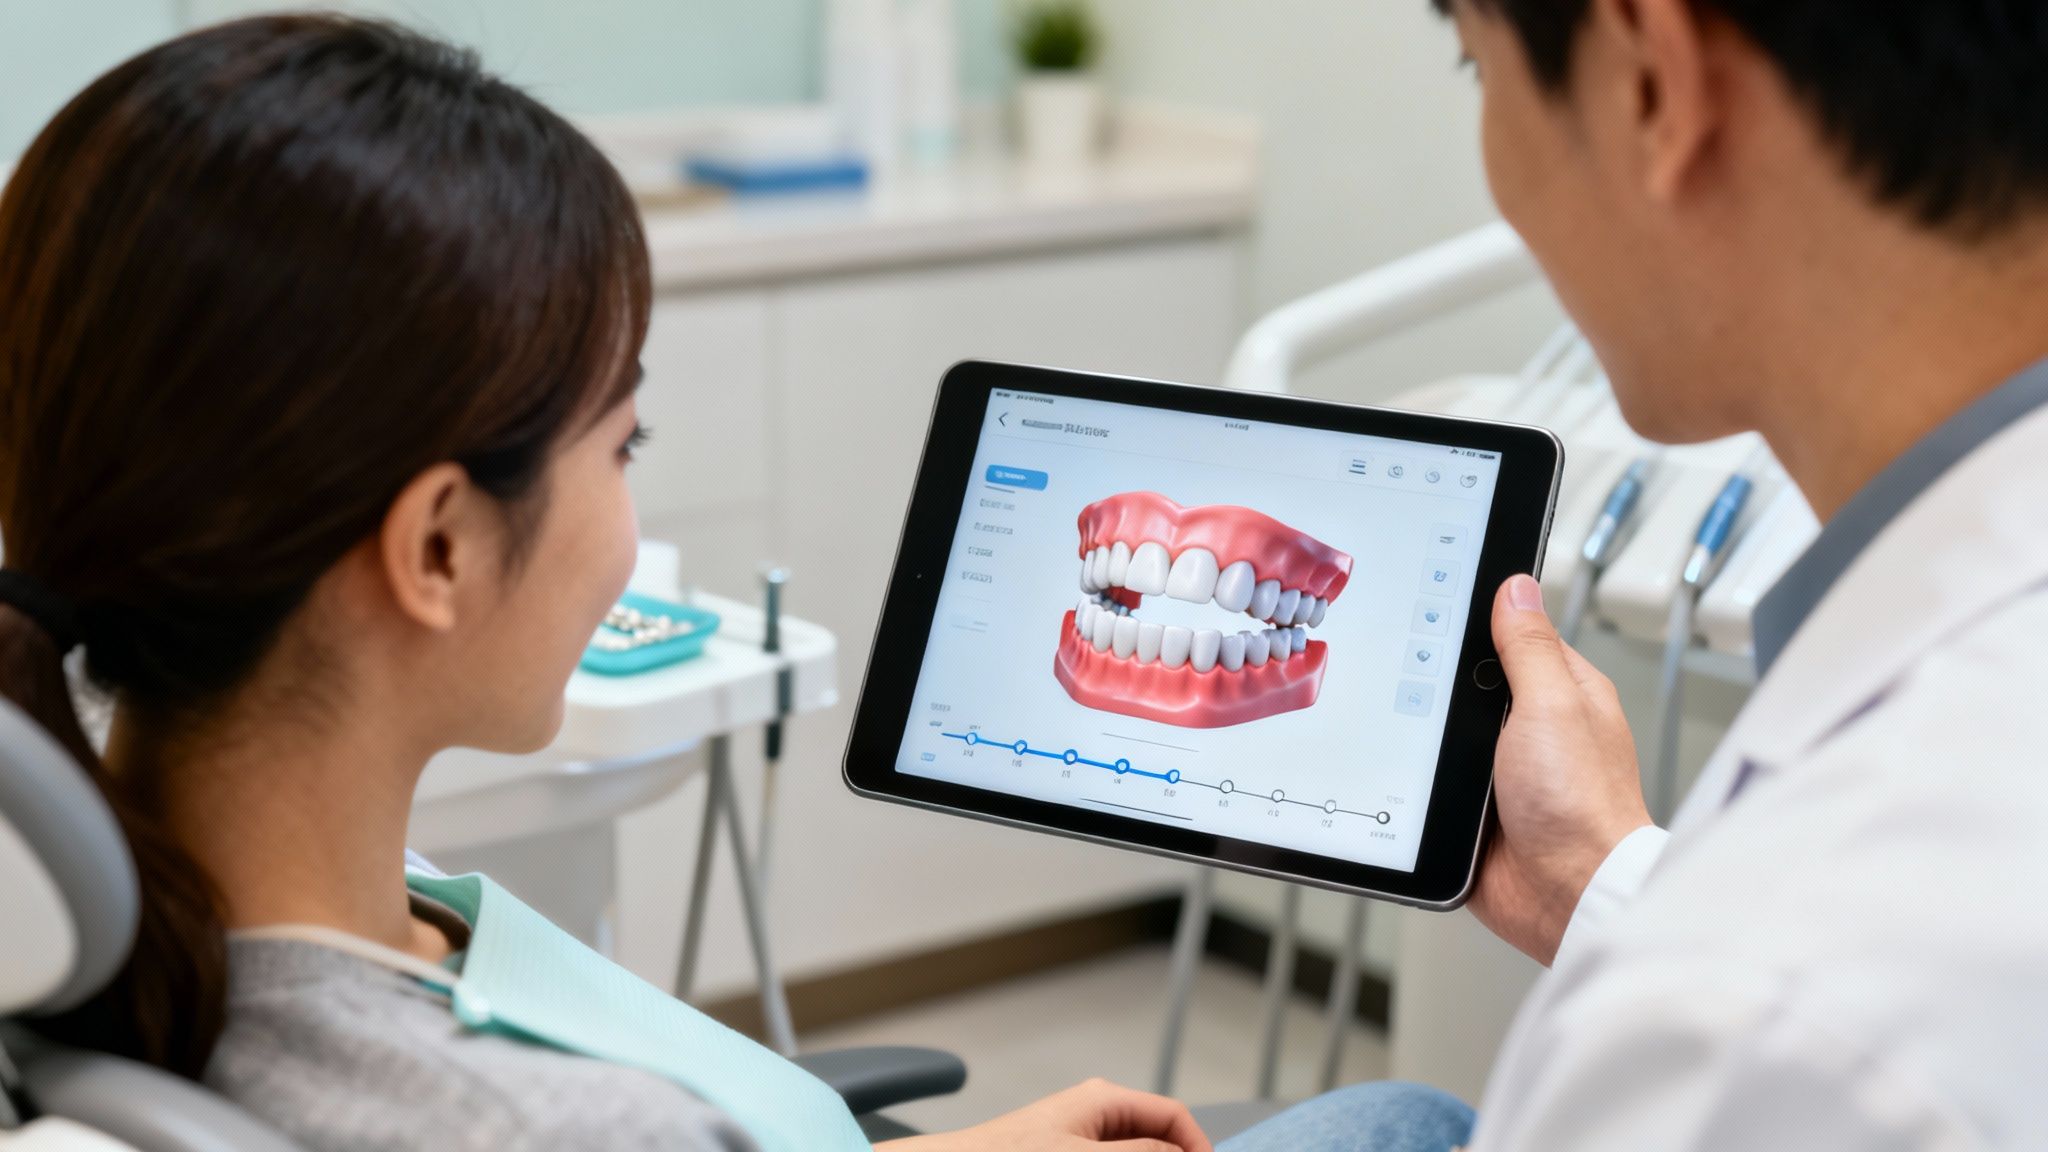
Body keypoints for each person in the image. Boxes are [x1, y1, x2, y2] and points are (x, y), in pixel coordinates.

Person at [0, 15, 1475, 1152]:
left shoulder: (122, 918)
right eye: (622, 439)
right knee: (1416, 1121)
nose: (629, 506)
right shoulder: (556, 1122)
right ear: (439, 547)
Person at [1437, 0, 2048, 1146]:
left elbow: (1782, 1010)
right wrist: (1599, 875)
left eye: (1477, 68)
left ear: (1646, 82)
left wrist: (1680, 954)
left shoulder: (1749, 1026)